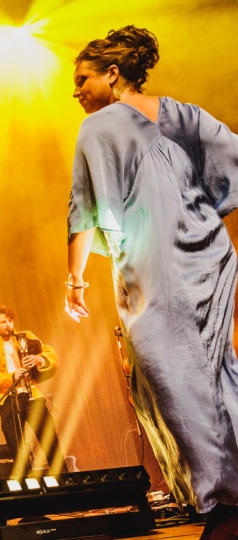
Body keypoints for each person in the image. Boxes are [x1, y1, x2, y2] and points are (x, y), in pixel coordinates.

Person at [65, 25, 238, 537]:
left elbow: (83, 208)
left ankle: (224, 500)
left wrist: (74, 279)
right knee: (214, 370)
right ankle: (228, 494)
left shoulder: (97, 127)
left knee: (173, 376)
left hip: (155, 261)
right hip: (211, 252)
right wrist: (198, 209)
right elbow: (231, 160)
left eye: (82, 80)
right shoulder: (183, 113)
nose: (76, 92)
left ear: (112, 73)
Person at [0, 306, 66, 477]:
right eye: (3, 322)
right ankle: (27, 483)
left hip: (32, 394)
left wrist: (39, 358)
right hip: (8, 398)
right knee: (17, 445)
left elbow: (48, 351)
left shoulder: (25, 337)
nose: (8, 325)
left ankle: (64, 479)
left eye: (10, 321)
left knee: (49, 440)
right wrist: (11, 377)